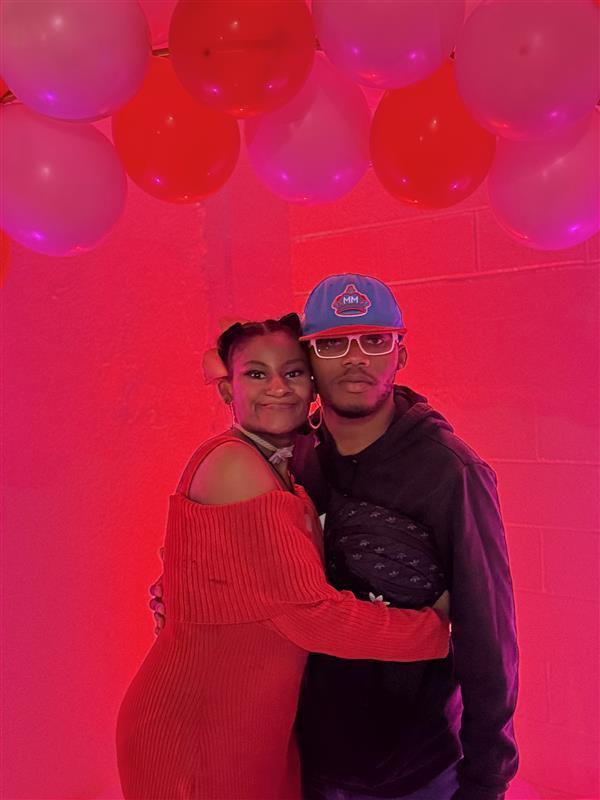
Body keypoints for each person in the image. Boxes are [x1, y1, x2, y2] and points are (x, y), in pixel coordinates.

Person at [150, 276, 519, 800]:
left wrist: (488, 777)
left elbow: (489, 634)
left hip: (410, 768)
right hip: (302, 754)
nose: (354, 358)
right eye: (332, 343)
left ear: (401, 354)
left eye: (375, 340)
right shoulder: (294, 458)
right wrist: (186, 588)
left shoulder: (449, 471)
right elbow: (271, 581)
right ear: (310, 362)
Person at [118, 312, 450, 800]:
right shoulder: (235, 466)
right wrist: (436, 630)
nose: (277, 387)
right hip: (197, 728)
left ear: (312, 384)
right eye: (256, 373)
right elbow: (310, 616)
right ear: (228, 391)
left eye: (292, 372)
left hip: (249, 727)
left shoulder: (281, 468)